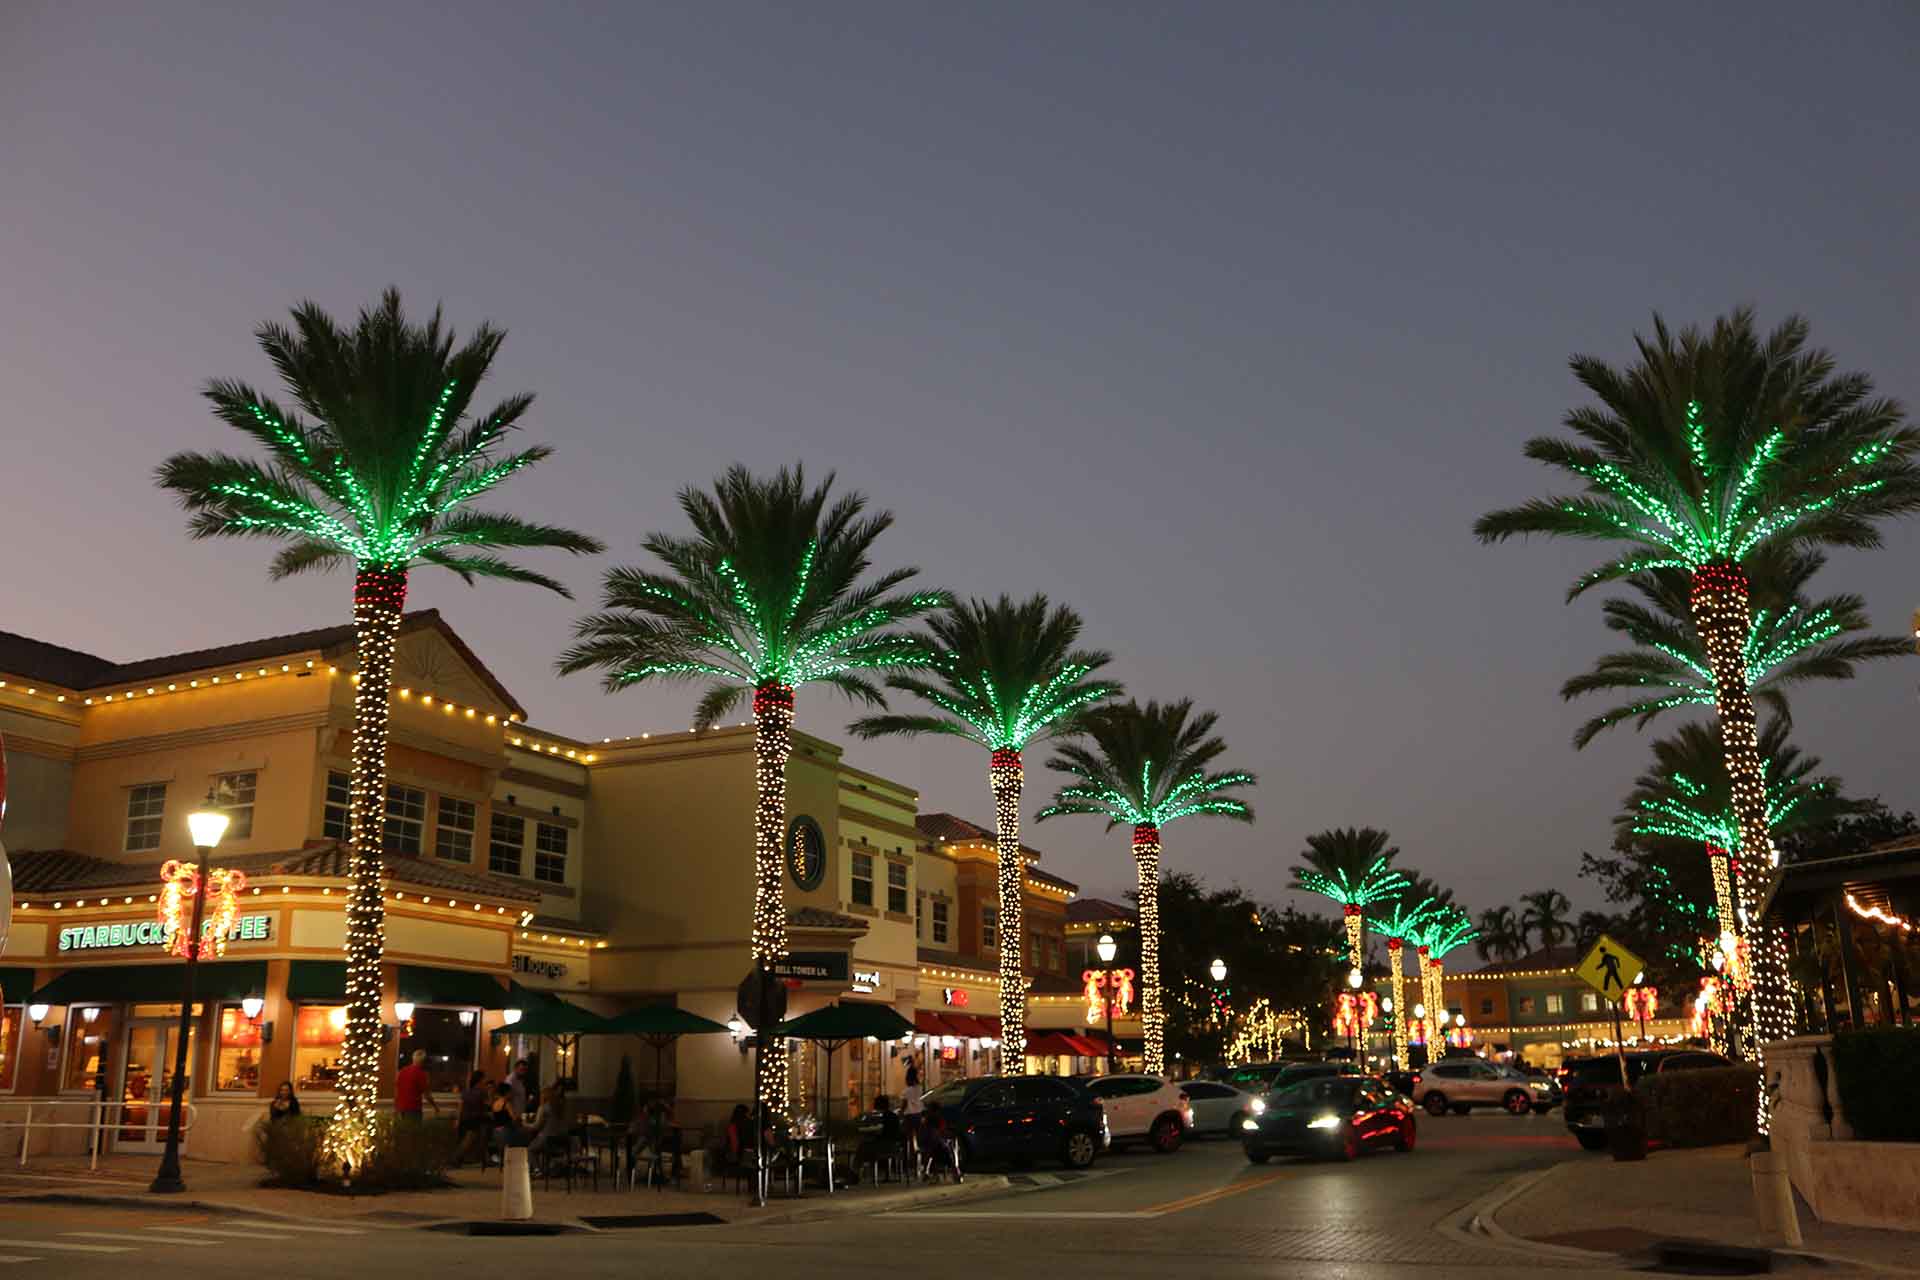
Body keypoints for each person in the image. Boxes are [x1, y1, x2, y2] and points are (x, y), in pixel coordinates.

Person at [854, 1093, 903, 1181]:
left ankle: (856, 1172)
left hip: (885, 1146)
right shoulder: (893, 1116)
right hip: (895, 1145)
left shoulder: (884, 1116)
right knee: (865, 1146)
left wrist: (873, 1134)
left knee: (862, 1147)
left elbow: (882, 1132)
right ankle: (860, 1170)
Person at [527, 1083, 571, 1171]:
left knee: (530, 1149)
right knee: (540, 1144)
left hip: (547, 1139)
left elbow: (536, 1126)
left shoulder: (543, 1108)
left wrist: (525, 1124)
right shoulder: (560, 1107)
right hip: (561, 1139)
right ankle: (548, 1167)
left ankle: (537, 1170)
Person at [643, 1093, 683, 1180]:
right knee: (659, 1148)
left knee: (677, 1145)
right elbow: (648, 1127)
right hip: (654, 1141)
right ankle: (664, 1172)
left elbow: (671, 1119)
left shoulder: (663, 1113)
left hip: (663, 1141)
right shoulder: (650, 1117)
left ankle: (674, 1171)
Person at [920, 1100, 961, 1183]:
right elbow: (941, 1133)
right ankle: (956, 1172)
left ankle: (930, 1173)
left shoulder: (927, 1121)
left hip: (930, 1147)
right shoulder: (938, 1120)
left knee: (947, 1147)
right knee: (952, 1149)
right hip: (938, 1147)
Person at [455, 1070, 490, 1166]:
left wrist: (458, 1119)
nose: (485, 1081)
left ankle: (485, 1159)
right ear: (480, 1080)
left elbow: (460, 1105)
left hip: (465, 1117)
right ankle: (456, 1158)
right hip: (476, 1118)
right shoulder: (482, 1092)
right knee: (470, 1139)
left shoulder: (466, 1091)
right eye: (484, 1079)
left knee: (478, 1139)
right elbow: (487, 1105)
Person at [395, 1049, 439, 1121]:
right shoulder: (421, 1074)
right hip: (413, 1108)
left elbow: (397, 1090)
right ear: (423, 1061)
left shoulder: (402, 1071)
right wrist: (435, 1107)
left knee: (403, 1131)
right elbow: (427, 1094)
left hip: (400, 1108)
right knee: (413, 1131)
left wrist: (396, 1107)